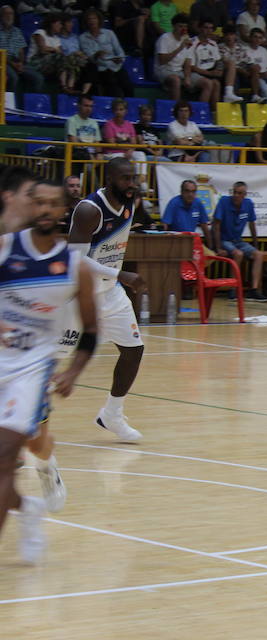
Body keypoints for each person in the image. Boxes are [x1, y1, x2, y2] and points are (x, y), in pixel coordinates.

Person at [0, 178, 100, 563]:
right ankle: (27, 510)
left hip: (31, 367)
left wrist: (74, 371)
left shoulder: (77, 268)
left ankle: (44, 472)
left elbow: (91, 330)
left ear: (64, 210)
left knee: (7, 453)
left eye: (51, 204)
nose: (44, 210)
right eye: (37, 203)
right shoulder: (7, 248)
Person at [66, 156, 149, 444]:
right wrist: (120, 273)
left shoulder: (131, 202)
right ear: (108, 179)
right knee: (47, 361)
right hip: (79, 294)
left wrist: (115, 277)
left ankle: (112, 414)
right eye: (125, 178)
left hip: (111, 292)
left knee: (133, 350)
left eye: (133, 177)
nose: (131, 183)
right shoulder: (90, 209)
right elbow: (74, 259)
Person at [213, 180, 267, 301]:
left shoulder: (248, 204)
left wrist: (255, 244)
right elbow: (216, 226)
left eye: (240, 193)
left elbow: (252, 224)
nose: (236, 196)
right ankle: (233, 288)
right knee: (238, 254)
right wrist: (218, 247)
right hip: (224, 239)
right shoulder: (224, 202)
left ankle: (254, 290)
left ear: (244, 195)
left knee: (258, 255)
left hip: (238, 240)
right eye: (235, 192)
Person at [78, 8, 135, 98]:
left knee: (128, 86)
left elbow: (119, 51)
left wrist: (120, 59)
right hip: (100, 69)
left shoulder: (109, 33)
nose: (92, 21)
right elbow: (89, 57)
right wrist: (96, 55)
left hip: (115, 66)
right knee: (112, 86)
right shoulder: (83, 38)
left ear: (99, 20)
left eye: (94, 18)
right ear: (86, 22)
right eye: (89, 19)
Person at [189, 17, 238, 102]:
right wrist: (209, 73)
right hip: (197, 72)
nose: (208, 30)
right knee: (212, 83)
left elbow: (218, 61)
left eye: (211, 28)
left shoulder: (213, 43)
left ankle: (228, 94)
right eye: (206, 28)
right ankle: (202, 111)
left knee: (230, 64)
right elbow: (191, 66)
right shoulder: (192, 43)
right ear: (200, 28)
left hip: (211, 71)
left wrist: (219, 70)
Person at [0, 5, 43, 94]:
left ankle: (30, 104)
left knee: (38, 77)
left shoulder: (17, 31)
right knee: (13, 77)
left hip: (16, 62)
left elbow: (21, 51)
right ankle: (9, 104)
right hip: (3, 61)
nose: (9, 16)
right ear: (1, 16)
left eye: (11, 14)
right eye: (6, 14)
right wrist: (13, 64)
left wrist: (20, 63)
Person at [64, 95, 101, 175]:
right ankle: (96, 187)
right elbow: (74, 143)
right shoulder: (72, 121)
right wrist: (88, 155)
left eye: (91, 106)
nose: (88, 109)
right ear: (78, 105)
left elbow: (97, 144)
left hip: (92, 155)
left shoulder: (94, 123)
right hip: (77, 155)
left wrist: (98, 154)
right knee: (88, 168)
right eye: (86, 106)